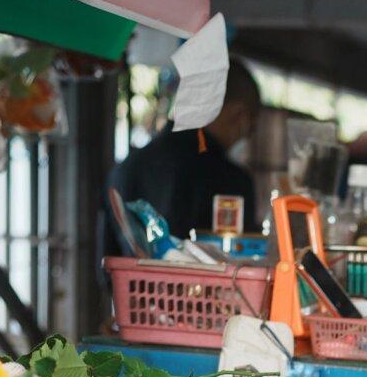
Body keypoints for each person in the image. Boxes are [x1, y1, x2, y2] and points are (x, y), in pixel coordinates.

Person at [106, 60, 261, 244]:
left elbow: (105, 259)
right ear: (239, 115)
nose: (244, 138)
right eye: (250, 128)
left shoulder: (127, 167)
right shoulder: (231, 182)